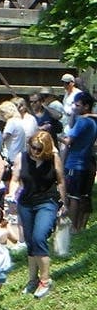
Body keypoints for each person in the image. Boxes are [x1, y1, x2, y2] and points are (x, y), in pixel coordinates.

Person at [9, 129, 65, 299]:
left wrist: (64, 204)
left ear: (47, 149)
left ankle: (45, 280)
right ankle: (32, 279)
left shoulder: (53, 159)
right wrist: (12, 194)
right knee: (30, 242)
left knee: (39, 237)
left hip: (47, 201)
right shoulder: (22, 158)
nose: (35, 151)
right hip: (26, 203)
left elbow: (61, 181)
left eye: (39, 149)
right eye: (33, 147)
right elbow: (15, 179)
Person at [62, 90, 96, 232]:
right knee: (83, 196)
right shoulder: (92, 122)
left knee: (72, 197)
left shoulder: (82, 121)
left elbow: (69, 140)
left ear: (86, 106)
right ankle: (80, 227)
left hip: (74, 164)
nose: (74, 107)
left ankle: (71, 228)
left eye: (77, 105)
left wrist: (53, 136)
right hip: (86, 163)